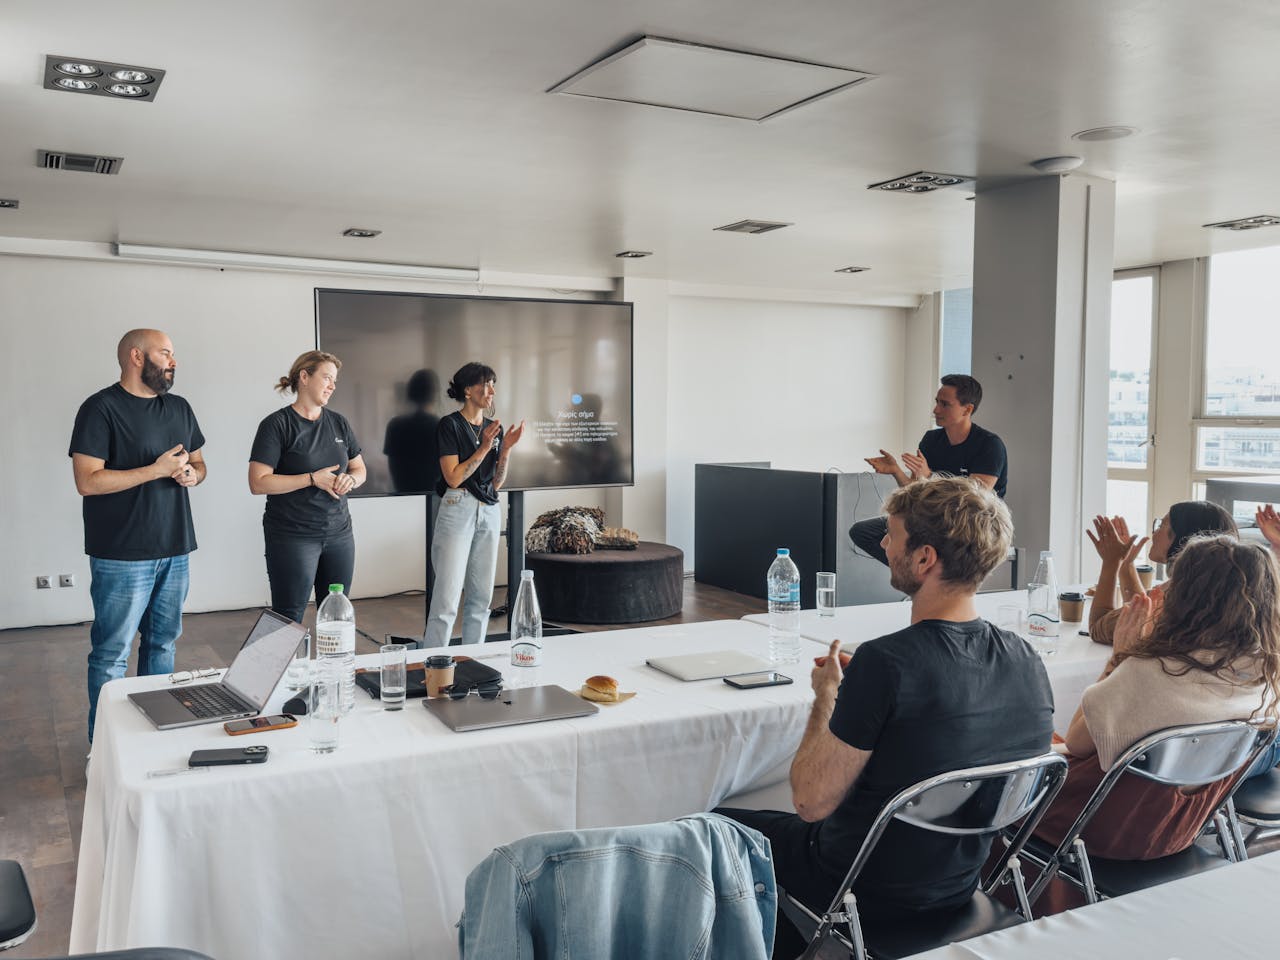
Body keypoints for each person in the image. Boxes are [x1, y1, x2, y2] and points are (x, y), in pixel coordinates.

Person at [718, 477, 1053, 958]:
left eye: (892, 534)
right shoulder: (1025, 657)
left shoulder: (886, 662)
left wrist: (828, 695)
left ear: (924, 558)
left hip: (861, 886)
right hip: (958, 883)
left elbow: (810, 802)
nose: (882, 543)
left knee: (715, 822)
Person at [1033, 535, 1279, 865]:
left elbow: (1078, 745)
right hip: (1179, 830)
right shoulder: (1266, 677)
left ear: (1184, 597)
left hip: (1095, 826)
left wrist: (1119, 660)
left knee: (1022, 739)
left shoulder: (1149, 672)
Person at [69, 329, 207, 741]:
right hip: (121, 554)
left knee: (162, 646)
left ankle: (152, 739)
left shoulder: (179, 408)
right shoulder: (100, 409)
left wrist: (189, 476)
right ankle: (104, 751)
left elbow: (199, 464)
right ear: (136, 356)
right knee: (112, 654)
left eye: (173, 354)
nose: (173, 361)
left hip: (175, 547)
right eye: (165, 353)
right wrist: (156, 470)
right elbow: (87, 481)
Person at [248, 351, 366, 624]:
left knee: (337, 615)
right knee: (287, 618)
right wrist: (311, 478)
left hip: (339, 535)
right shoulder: (276, 425)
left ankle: (332, 668)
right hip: (292, 537)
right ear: (304, 377)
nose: (332, 386)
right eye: (326, 377)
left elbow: (360, 469)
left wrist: (352, 479)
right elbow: (258, 482)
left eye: (335, 380)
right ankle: (284, 668)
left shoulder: (339, 422)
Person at [850, 374, 1007, 566]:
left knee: (913, 534)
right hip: (934, 518)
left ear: (967, 409)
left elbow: (974, 498)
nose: (936, 409)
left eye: (945, 404)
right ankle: (918, 577)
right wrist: (896, 471)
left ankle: (929, 580)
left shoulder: (989, 445)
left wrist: (930, 476)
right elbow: (918, 491)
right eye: (936, 402)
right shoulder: (932, 440)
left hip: (973, 523)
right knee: (864, 532)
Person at [425, 362, 525, 646]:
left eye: (493, 384)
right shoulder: (450, 425)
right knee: (447, 598)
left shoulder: (495, 429)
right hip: (458, 508)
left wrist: (504, 449)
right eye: (486, 384)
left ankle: (474, 662)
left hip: (490, 509)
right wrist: (483, 448)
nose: (491, 391)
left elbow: (496, 483)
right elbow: (454, 478)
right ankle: (433, 666)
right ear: (468, 390)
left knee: (481, 598)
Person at [1085, 501, 1237, 647]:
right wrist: (1126, 564)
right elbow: (1140, 615)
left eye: (1161, 525)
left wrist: (1111, 563)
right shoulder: (1225, 599)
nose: (1154, 532)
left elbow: (1099, 628)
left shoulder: (1171, 601)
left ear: (1181, 539)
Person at [383, 368, 441, 494]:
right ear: (435, 395)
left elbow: (394, 471)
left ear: (410, 393)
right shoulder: (443, 426)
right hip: (436, 498)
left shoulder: (395, 425)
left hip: (403, 496)